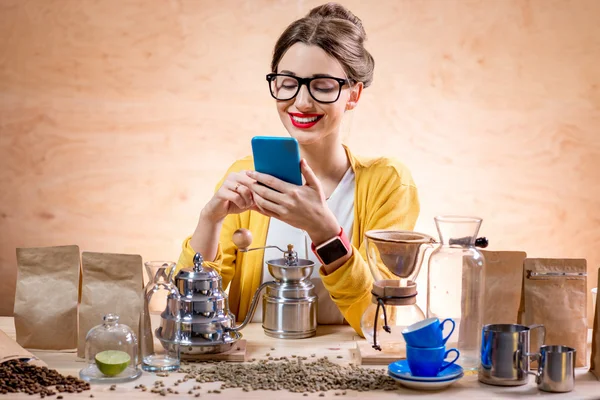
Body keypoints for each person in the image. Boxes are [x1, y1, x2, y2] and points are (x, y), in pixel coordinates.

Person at [176, 2, 420, 336]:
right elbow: (188, 310)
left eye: (322, 85)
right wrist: (210, 219)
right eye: (288, 82)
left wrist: (325, 232)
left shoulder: (388, 183)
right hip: (254, 371)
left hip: (350, 374)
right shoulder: (247, 175)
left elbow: (382, 321)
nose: (302, 102)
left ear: (353, 94)